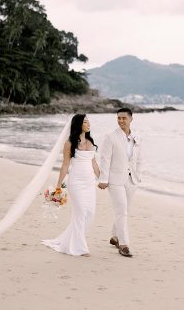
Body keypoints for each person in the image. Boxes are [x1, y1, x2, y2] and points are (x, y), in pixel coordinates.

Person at [42, 114, 100, 256]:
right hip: (76, 182)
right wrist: (58, 185)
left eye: (88, 121)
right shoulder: (69, 143)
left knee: (90, 213)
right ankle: (80, 248)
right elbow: (65, 164)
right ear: (79, 124)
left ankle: (72, 241)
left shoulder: (91, 141)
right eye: (85, 121)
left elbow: (94, 163)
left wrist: (103, 178)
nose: (88, 124)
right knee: (80, 212)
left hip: (89, 183)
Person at [98, 108, 143, 257]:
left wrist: (139, 176)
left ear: (131, 119)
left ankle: (115, 236)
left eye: (124, 118)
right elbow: (104, 159)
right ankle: (123, 244)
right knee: (121, 210)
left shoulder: (137, 137)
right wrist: (103, 179)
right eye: (119, 118)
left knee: (125, 210)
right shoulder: (110, 137)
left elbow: (139, 159)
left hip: (131, 179)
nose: (121, 121)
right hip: (115, 179)